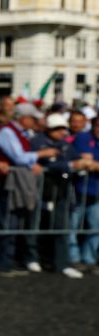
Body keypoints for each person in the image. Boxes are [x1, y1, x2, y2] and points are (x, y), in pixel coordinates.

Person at [0, 103, 59, 275]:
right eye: (33, 119)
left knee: (14, 223)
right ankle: (1, 262)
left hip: (17, 182)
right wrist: (40, 155)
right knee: (6, 222)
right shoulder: (8, 132)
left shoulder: (22, 133)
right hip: (8, 182)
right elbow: (19, 157)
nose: (35, 122)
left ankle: (8, 260)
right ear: (24, 118)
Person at [29, 113, 86, 278]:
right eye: (57, 129)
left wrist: (82, 162)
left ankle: (61, 263)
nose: (61, 132)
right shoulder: (37, 141)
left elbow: (75, 159)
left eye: (63, 128)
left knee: (61, 226)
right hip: (40, 190)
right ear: (48, 129)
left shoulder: (65, 144)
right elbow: (47, 164)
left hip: (60, 191)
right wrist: (69, 164)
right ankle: (32, 257)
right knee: (34, 225)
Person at [70, 116, 99, 273]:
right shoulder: (83, 137)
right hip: (79, 190)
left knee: (95, 227)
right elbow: (84, 160)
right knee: (72, 226)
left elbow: (90, 161)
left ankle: (89, 258)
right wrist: (90, 163)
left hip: (96, 193)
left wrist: (93, 163)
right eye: (97, 125)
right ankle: (73, 258)